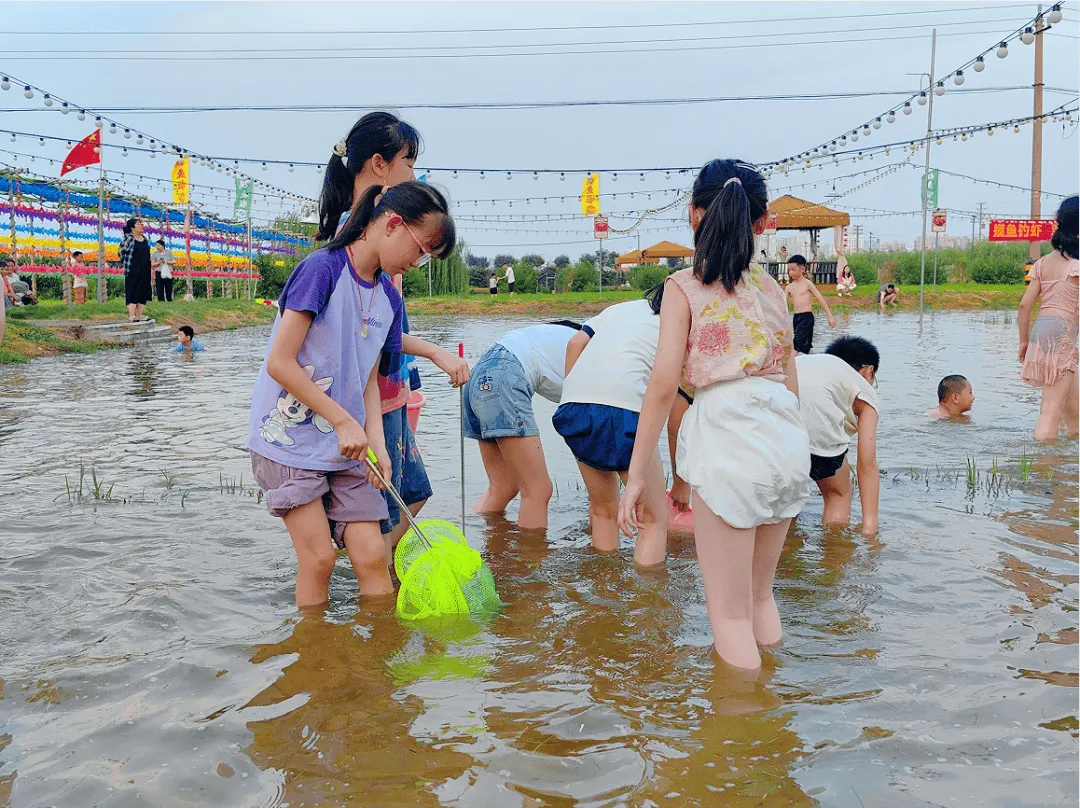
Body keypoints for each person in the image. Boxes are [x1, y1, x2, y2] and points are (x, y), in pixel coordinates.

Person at [617, 158, 810, 671]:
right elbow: (790, 381)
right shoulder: (773, 290)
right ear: (763, 223)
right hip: (786, 437)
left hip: (728, 434)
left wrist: (637, 476)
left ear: (693, 215)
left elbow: (661, 387)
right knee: (761, 599)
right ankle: (779, 720)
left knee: (729, 618)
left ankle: (741, 738)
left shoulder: (683, 287)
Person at [248, 181, 455, 608]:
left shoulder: (388, 298)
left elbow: (367, 379)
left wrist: (377, 444)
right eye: (421, 250)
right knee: (320, 559)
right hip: (289, 439)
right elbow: (280, 362)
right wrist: (342, 420)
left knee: (373, 556)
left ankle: (375, 664)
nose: (418, 263)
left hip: (350, 445)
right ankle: (315, 660)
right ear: (393, 224)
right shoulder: (321, 269)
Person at [316, 112, 469, 557]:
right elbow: (365, 336)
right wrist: (438, 353)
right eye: (410, 161)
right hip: (370, 393)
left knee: (411, 492)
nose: (414, 174)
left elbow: (381, 329)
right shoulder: (368, 236)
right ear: (379, 165)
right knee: (380, 502)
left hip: (388, 386)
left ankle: (378, 576)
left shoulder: (382, 228)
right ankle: (375, 580)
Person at [552, 286, 671, 565]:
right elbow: (673, 401)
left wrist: (577, 394)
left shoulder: (620, 308)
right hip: (624, 407)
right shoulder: (679, 322)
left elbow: (574, 344)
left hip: (574, 405)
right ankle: (649, 604)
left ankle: (605, 593)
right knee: (653, 519)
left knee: (604, 509)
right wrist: (681, 482)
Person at [463, 321, 582, 530]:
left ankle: (485, 552)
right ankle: (529, 560)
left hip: (479, 374)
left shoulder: (562, 336)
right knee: (538, 490)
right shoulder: (591, 349)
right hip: (506, 375)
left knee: (502, 487)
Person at [797, 336, 880, 536]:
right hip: (817, 432)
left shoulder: (805, 362)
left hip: (771, 429)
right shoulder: (865, 390)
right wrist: (870, 530)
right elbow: (866, 465)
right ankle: (835, 556)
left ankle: (787, 557)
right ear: (870, 371)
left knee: (786, 500)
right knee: (838, 493)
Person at [1018, 194, 1079, 441]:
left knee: (1074, 410)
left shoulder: (1042, 263)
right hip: (1062, 335)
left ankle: (1070, 465)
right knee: (1050, 411)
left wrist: (1024, 341)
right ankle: (1044, 468)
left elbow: (1024, 306)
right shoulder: (1076, 265)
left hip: (1041, 332)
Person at [785, 254, 835, 354]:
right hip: (796, 318)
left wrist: (829, 316)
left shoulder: (807, 284)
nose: (791, 272)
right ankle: (804, 364)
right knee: (804, 346)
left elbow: (820, 298)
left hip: (807, 317)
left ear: (802, 269)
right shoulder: (789, 288)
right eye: (789, 270)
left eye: (793, 269)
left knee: (797, 345)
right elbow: (783, 306)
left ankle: (788, 366)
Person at [120, 218, 152, 322]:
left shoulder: (145, 239)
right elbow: (121, 252)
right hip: (133, 270)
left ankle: (139, 316)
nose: (141, 225)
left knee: (143, 292)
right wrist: (126, 263)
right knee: (132, 290)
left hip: (145, 270)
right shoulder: (129, 238)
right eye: (138, 224)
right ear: (132, 227)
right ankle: (131, 315)